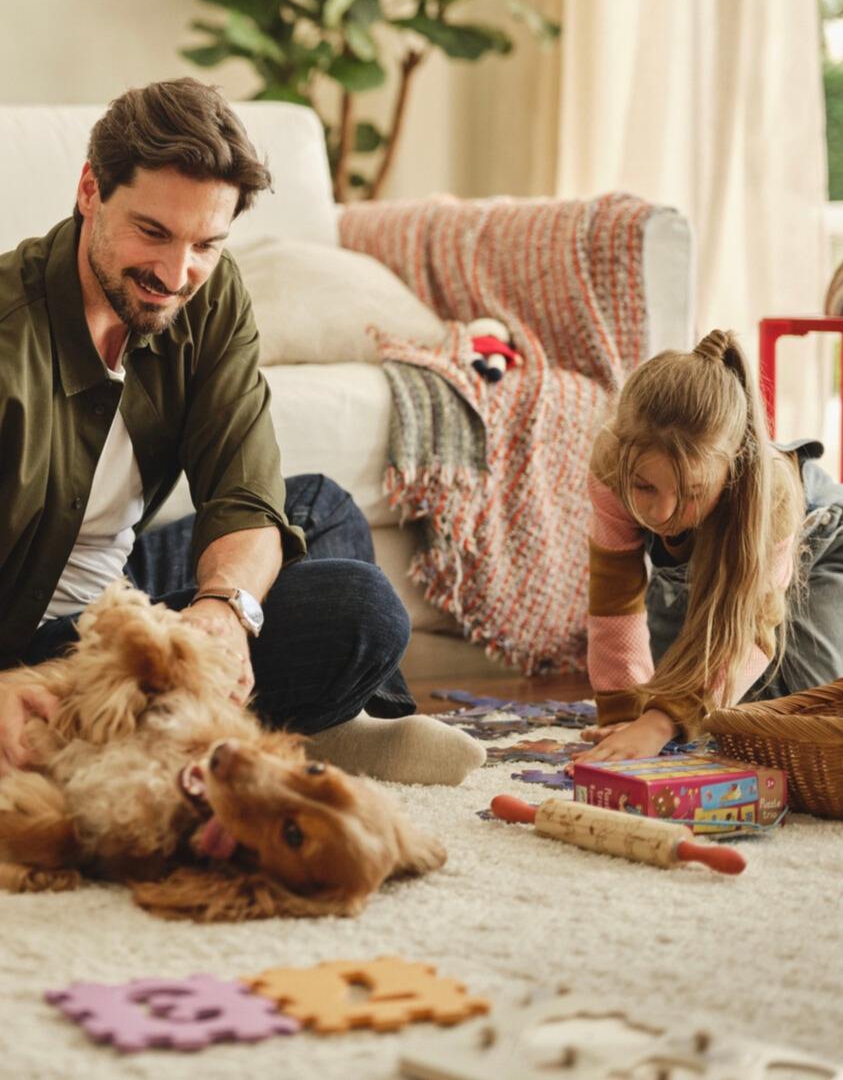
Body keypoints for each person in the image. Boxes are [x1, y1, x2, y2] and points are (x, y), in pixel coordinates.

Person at [0, 79, 482, 786]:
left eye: (205, 243)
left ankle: (340, 723)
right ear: (89, 192)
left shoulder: (209, 292)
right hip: (35, 639)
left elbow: (246, 492)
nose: (175, 273)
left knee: (318, 505)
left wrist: (222, 613)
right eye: (152, 232)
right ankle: (311, 725)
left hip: (121, 590)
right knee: (361, 609)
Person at [574, 327, 843, 767]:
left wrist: (663, 722)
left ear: (733, 465)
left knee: (799, 711)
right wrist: (624, 715)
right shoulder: (610, 462)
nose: (661, 513)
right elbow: (614, 599)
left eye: (692, 492)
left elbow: (753, 623)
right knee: (666, 693)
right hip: (704, 564)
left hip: (821, 540)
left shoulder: (768, 490)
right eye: (644, 486)